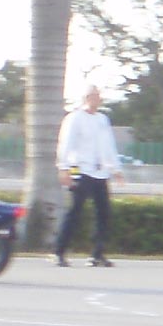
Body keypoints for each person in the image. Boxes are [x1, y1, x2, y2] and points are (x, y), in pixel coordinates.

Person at [53, 85, 125, 267]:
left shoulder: (103, 119)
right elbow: (65, 144)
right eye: (92, 96)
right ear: (85, 98)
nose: (95, 99)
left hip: (100, 172)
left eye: (98, 96)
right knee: (75, 211)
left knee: (104, 213)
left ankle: (97, 254)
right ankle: (59, 252)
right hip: (79, 169)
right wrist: (63, 168)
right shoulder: (74, 118)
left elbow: (108, 146)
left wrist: (115, 169)